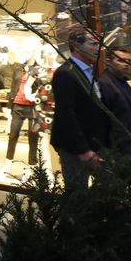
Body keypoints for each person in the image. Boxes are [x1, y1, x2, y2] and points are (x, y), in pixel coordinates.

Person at [50, 26, 109, 187]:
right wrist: (83, 150)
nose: (98, 48)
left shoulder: (89, 72)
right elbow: (66, 114)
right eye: (93, 44)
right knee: (78, 197)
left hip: (95, 144)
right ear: (77, 45)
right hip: (76, 148)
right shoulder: (65, 74)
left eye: (99, 44)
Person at [2, 63, 42, 177]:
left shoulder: (38, 70)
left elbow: (41, 88)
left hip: (33, 107)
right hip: (17, 107)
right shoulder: (18, 69)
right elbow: (13, 87)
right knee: (13, 135)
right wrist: (9, 106)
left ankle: (32, 168)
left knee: (33, 138)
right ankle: (7, 163)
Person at [99, 45, 131, 157]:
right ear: (108, 62)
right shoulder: (104, 83)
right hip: (116, 148)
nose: (126, 64)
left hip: (128, 144)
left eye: (129, 61)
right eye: (120, 60)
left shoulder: (124, 82)